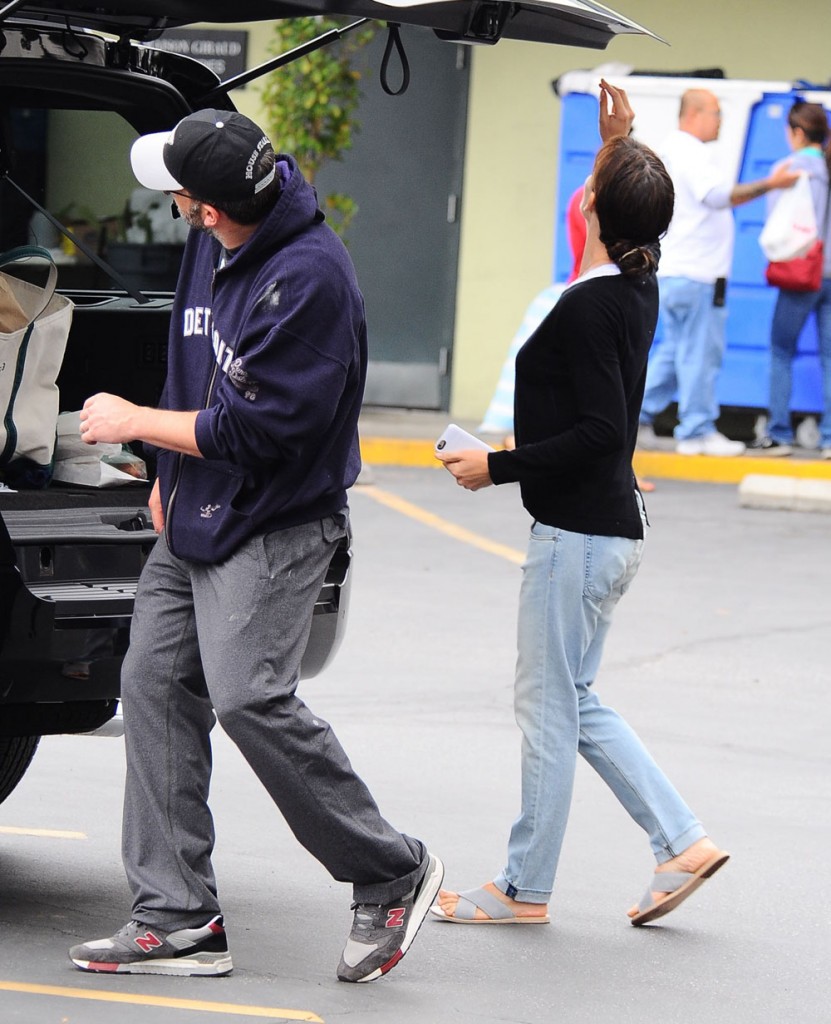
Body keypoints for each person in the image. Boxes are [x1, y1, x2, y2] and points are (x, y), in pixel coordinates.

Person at [68, 109, 442, 983]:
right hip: (196, 502)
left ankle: (388, 868)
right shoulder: (217, 238)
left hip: (276, 520)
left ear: (206, 207)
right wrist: (161, 463)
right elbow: (187, 353)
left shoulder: (312, 280)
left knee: (248, 699)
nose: (181, 209)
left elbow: (260, 427)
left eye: (184, 198)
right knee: (152, 682)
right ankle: (177, 917)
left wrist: (128, 421)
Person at [433, 81, 729, 929]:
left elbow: (601, 429)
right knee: (574, 698)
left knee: (546, 706)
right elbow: (620, 213)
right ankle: (681, 842)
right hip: (606, 532)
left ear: (595, 211)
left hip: (576, 537)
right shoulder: (634, 282)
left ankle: (523, 888)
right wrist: (620, 143)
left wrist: (499, 465)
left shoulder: (589, 302)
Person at [639, 88, 800, 456]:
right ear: (694, 114)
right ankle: (696, 431)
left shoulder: (670, 149)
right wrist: (772, 185)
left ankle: (635, 416)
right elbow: (718, 195)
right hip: (699, 273)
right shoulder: (692, 153)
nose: (721, 120)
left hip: (678, 270)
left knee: (675, 354)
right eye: (715, 112)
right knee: (699, 356)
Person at [751, 100, 831, 459]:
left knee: (781, 350)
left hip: (802, 273)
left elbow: (778, 225)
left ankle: (779, 433)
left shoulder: (791, 168)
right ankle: (828, 438)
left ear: (797, 133)